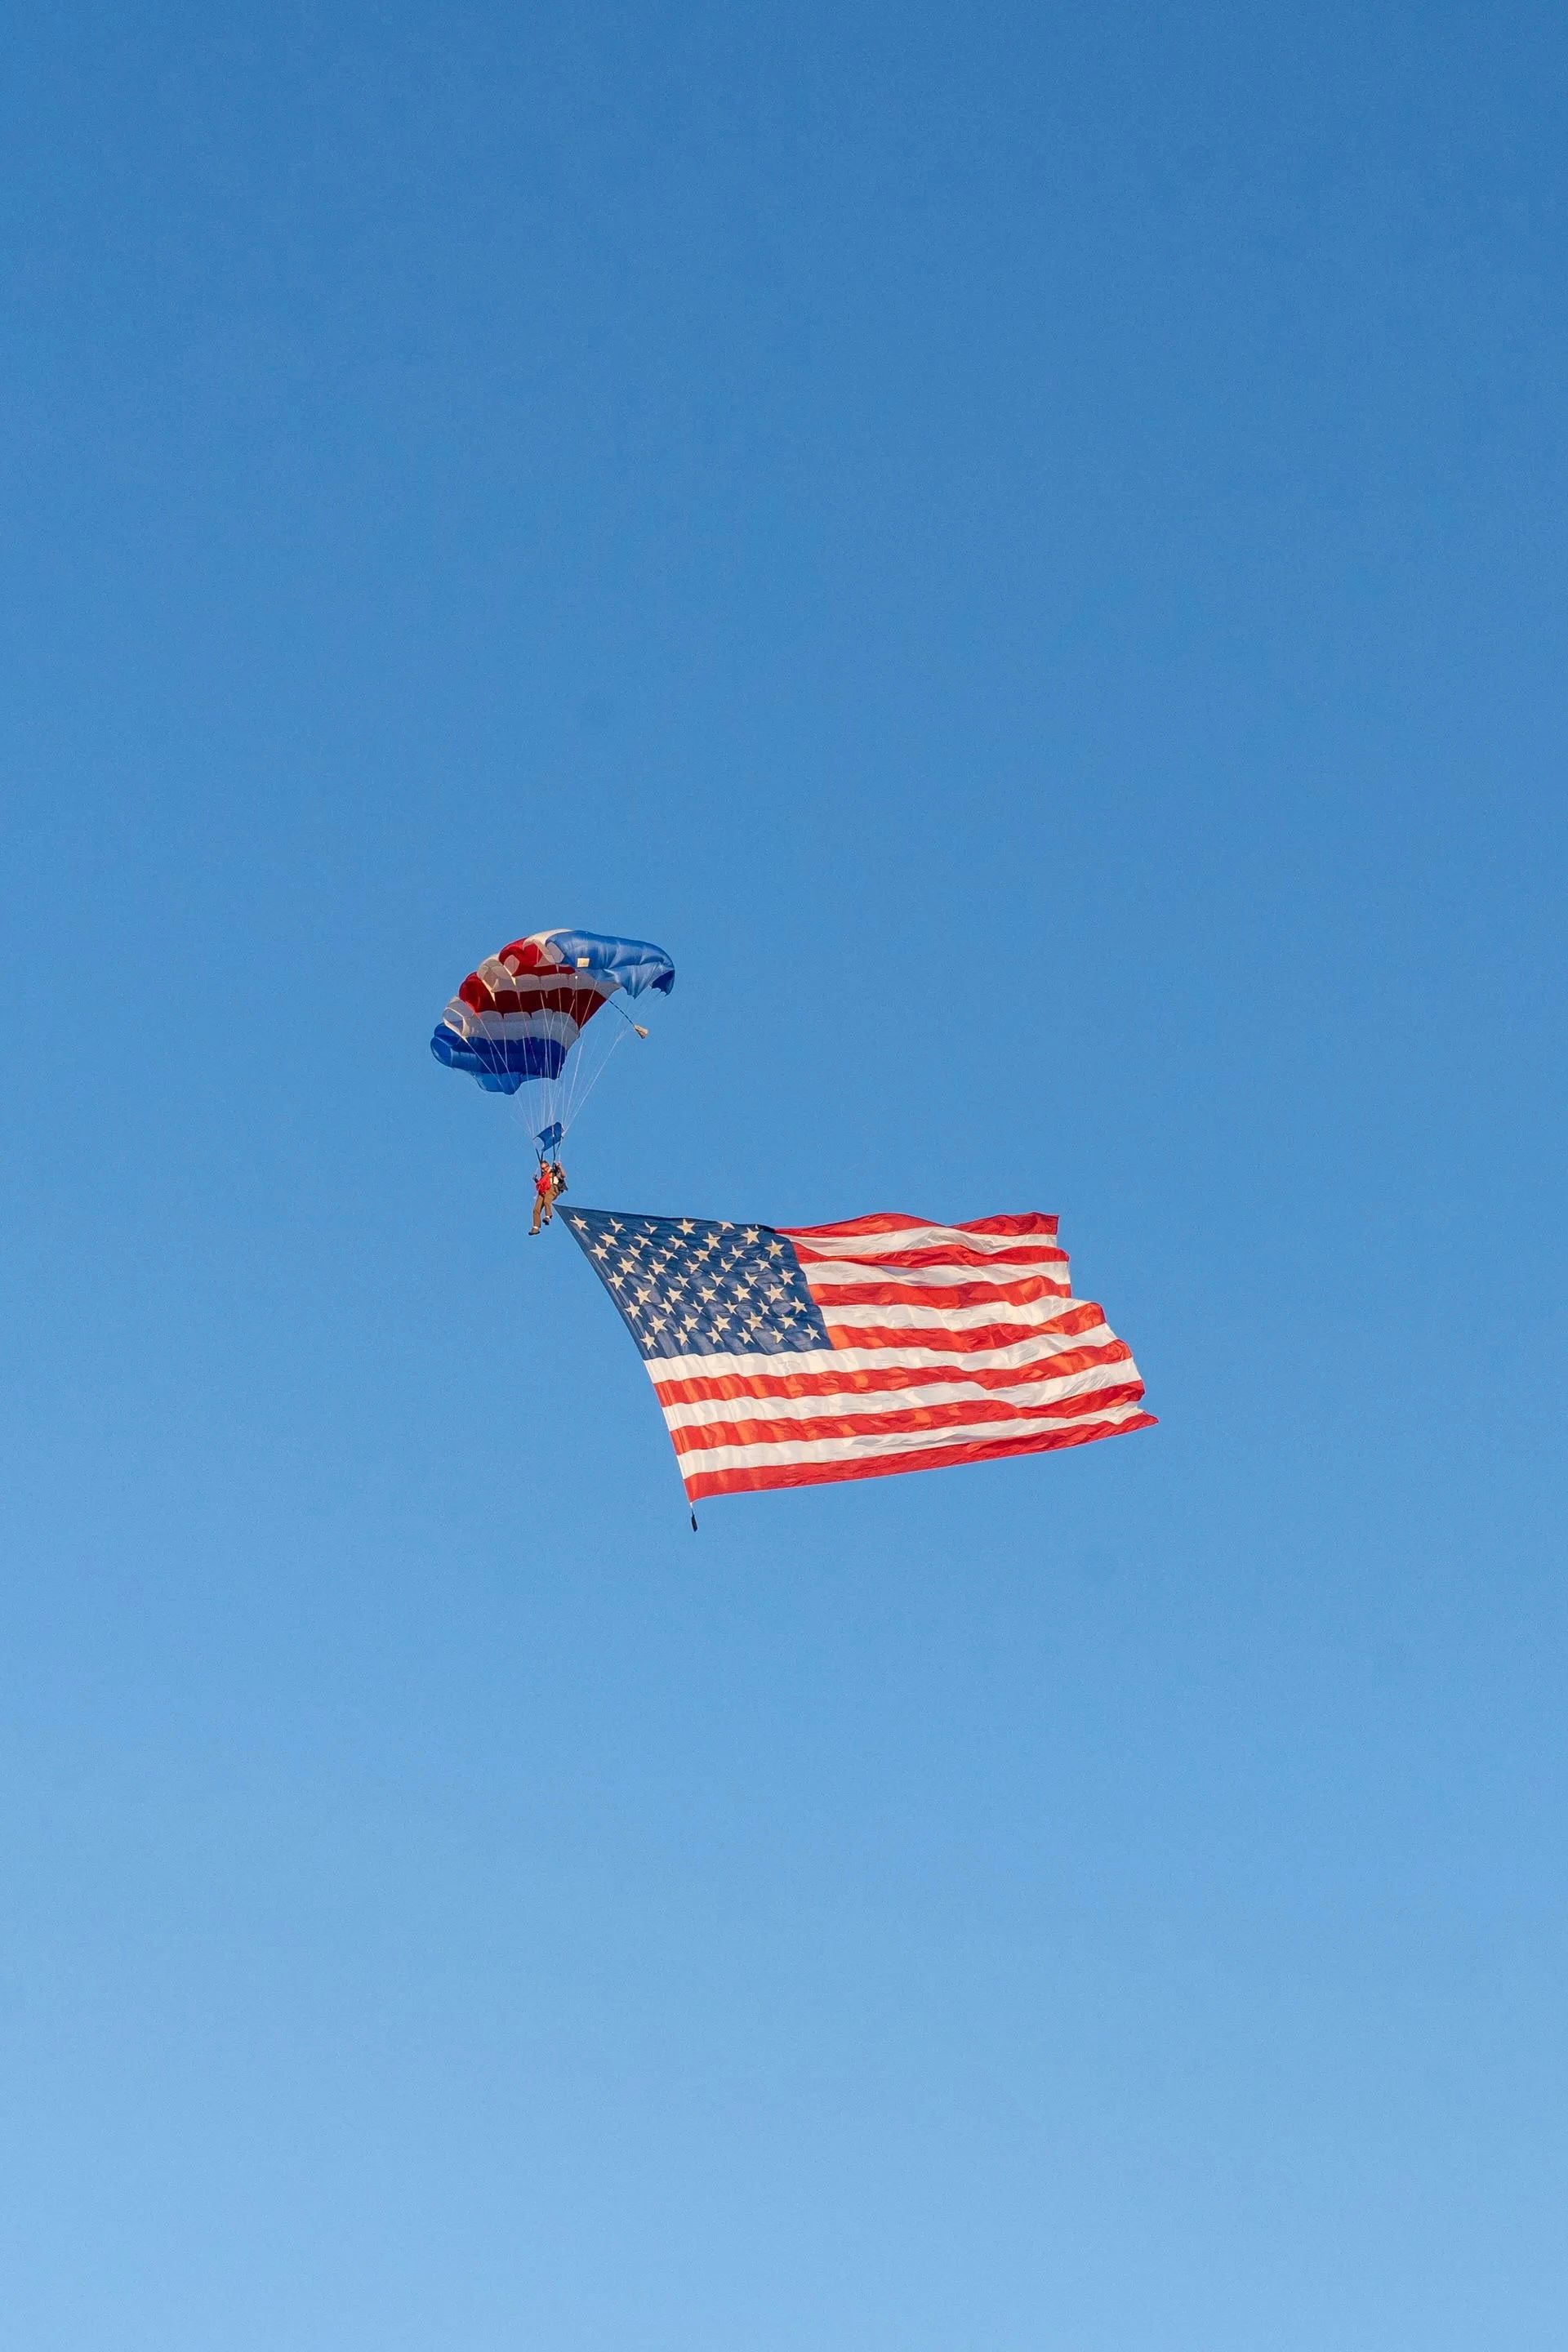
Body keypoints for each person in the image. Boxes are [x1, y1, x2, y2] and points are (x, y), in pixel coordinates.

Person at [529, 1157, 555, 1236]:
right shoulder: (544, 1176)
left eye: (544, 1168)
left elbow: (563, 1175)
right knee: (536, 1209)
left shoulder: (553, 1172)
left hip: (551, 1190)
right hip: (543, 1192)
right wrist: (536, 1180)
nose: (543, 1170)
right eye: (542, 1169)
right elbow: (542, 1183)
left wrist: (559, 1167)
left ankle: (548, 1216)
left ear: (548, 1167)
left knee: (547, 1201)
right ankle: (536, 1228)